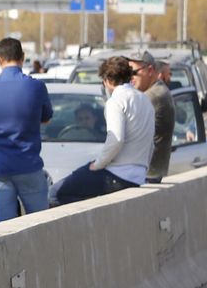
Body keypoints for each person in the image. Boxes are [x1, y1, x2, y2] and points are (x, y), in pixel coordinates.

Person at [54, 56, 155, 204]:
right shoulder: (145, 100)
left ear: (107, 80)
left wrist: (98, 164)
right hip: (139, 176)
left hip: (117, 174)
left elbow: (116, 139)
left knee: (56, 192)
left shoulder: (116, 101)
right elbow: (151, 143)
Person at [0, 37, 52, 222]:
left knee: (4, 228)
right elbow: (46, 118)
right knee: (40, 224)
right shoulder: (36, 87)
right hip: (29, 164)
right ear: (23, 57)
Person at [131, 51, 174, 183]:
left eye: (134, 72)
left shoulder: (152, 96)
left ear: (150, 70)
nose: (130, 77)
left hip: (147, 175)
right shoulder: (158, 91)